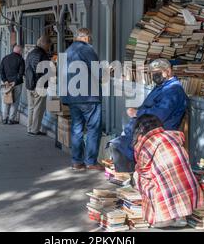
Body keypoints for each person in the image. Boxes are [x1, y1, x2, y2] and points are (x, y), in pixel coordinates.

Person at [109, 58, 188, 172]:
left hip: (159, 128)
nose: (155, 75)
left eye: (158, 72)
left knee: (118, 145)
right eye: (152, 73)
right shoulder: (163, 86)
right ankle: (129, 175)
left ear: (168, 71)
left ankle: (130, 175)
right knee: (119, 142)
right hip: (148, 126)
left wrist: (137, 113)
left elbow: (159, 114)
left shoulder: (173, 90)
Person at [132, 114, 203, 228]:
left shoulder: (148, 143)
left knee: (137, 175)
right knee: (173, 175)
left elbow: (143, 172)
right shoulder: (172, 136)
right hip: (188, 190)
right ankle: (180, 216)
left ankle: (162, 217)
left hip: (165, 198)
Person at [61, 28, 103, 171]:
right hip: (88, 96)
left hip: (72, 96)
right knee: (93, 128)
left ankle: (77, 162)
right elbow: (98, 72)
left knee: (77, 129)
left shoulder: (67, 51)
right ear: (87, 38)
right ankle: (91, 161)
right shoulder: (87, 49)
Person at [25, 35, 52, 136]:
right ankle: (35, 130)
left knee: (31, 107)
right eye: (49, 45)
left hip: (29, 84)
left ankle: (29, 128)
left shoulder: (31, 53)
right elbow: (44, 71)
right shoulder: (42, 54)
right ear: (45, 44)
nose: (49, 47)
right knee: (38, 109)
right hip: (39, 85)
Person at [0, 45, 25, 125]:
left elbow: (1, 70)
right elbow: (21, 73)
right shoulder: (20, 59)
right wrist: (15, 82)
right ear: (20, 51)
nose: (22, 53)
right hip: (16, 84)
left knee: (6, 101)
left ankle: (4, 119)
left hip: (6, 84)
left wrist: (5, 80)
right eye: (22, 51)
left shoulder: (5, 58)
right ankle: (11, 119)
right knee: (15, 102)